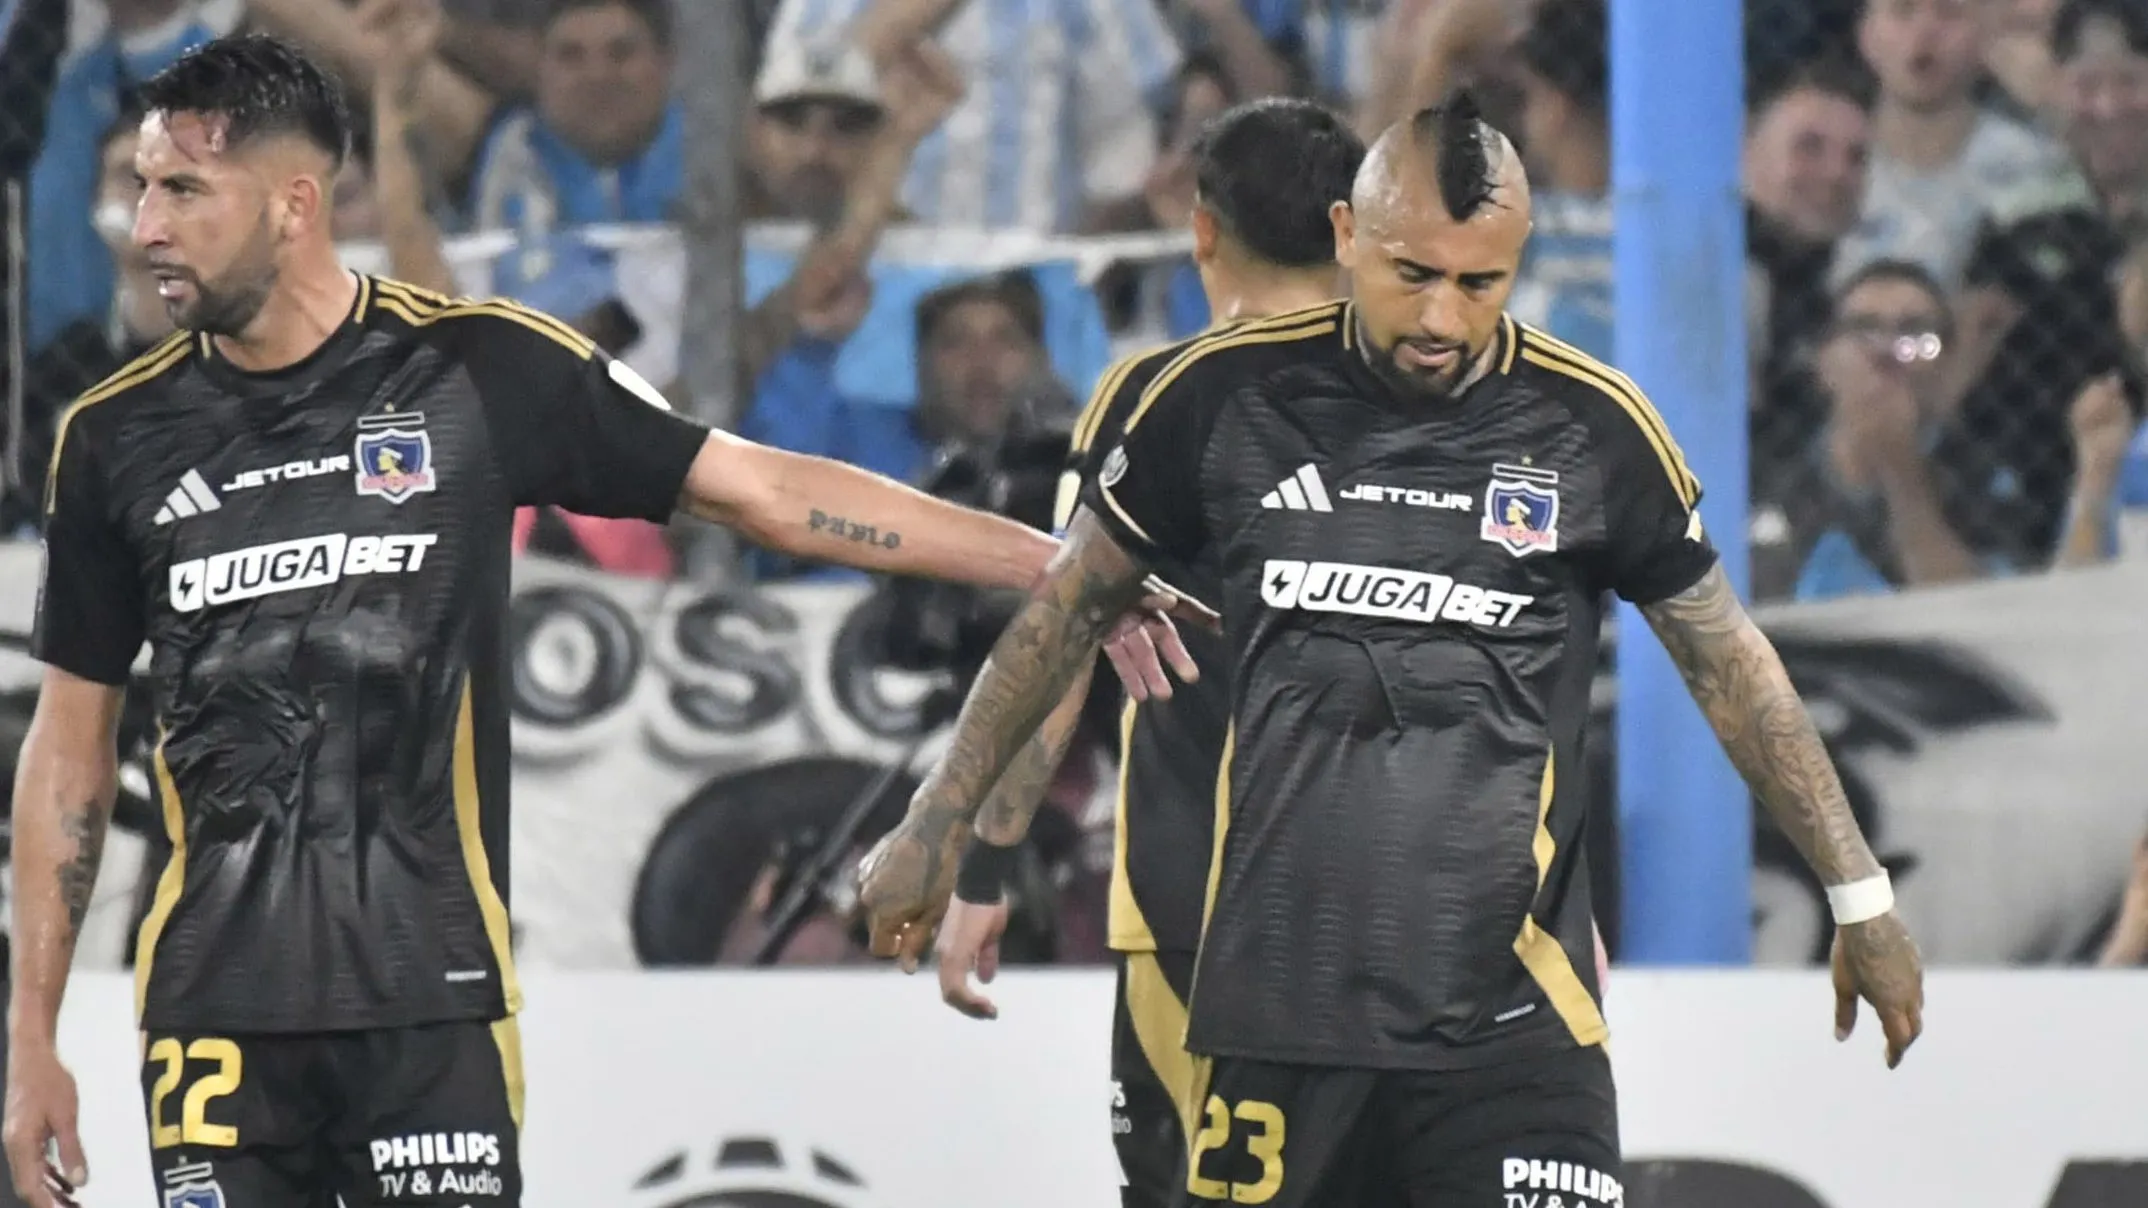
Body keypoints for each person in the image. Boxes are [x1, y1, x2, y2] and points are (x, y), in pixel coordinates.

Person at [0, 34, 1198, 1208]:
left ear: (294, 203)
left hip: (434, 1001)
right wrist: (33, 1035)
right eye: (145, 187)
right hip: (212, 1014)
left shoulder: (474, 369)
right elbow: (70, 747)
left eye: (183, 189)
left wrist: (1062, 563)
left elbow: (769, 492)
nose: (147, 224)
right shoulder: (111, 436)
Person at [860, 90, 1927, 1207]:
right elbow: (1064, 613)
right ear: (1344, 239)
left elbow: (1728, 661)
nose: (1443, 320)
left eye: (1481, 283)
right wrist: (940, 824)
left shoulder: (1592, 428)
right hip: (1279, 1018)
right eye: (1411, 273)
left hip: (1515, 1027)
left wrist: (1860, 896)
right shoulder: (1217, 400)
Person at [900, 96, 1367, 1208]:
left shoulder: (1159, 396)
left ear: (1200, 233)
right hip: (1417, 912)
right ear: (1357, 229)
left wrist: (986, 864)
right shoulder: (1458, 396)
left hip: (1198, 900)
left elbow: (1065, 633)